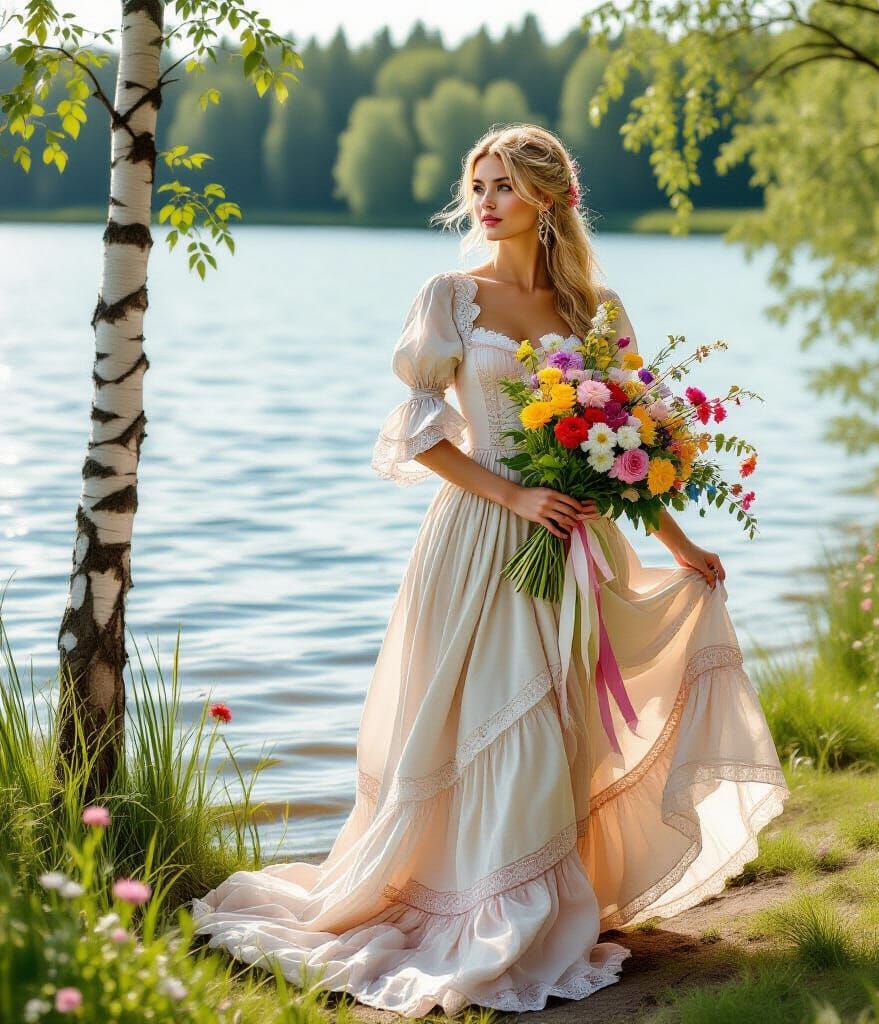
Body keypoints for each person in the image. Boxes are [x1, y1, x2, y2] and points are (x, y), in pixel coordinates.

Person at [190, 123, 790, 1018]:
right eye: (478, 185)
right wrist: (513, 499)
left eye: (502, 185)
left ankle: (540, 899)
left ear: (548, 197)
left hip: (576, 543)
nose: (485, 201)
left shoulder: (597, 310)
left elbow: (626, 453)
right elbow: (418, 432)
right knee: (485, 723)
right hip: (480, 537)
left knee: (558, 726)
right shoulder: (450, 298)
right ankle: (479, 902)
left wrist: (678, 545)